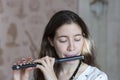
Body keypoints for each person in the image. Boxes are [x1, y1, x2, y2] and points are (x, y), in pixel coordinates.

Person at [13, 10, 108, 80]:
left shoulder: (97, 77)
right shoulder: (43, 73)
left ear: (83, 38)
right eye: (63, 40)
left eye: (77, 39)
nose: (71, 47)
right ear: (51, 41)